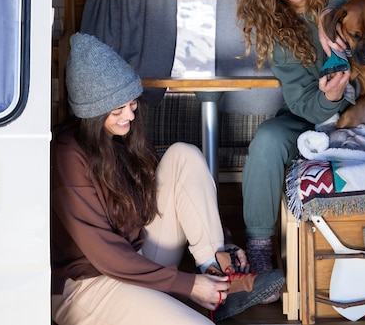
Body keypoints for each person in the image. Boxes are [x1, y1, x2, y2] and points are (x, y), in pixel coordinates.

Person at [51, 32, 284, 325]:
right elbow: (105, 254)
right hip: (90, 286)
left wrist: (224, 243)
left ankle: (219, 276)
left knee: (183, 155)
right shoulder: (67, 155)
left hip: (137, 260)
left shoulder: (123, 135)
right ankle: (208, 290)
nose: (129, 116)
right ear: (91, 114)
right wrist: (187, 285)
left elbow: (173, 198)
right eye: (117, 110)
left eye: (132, 104)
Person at [236, 0, 365, 287]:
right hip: (315, 119)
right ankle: (259, 250)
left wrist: (329, 13)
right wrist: (330, 99)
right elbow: (302, 102)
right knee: (267, 139)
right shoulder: (276, 31)